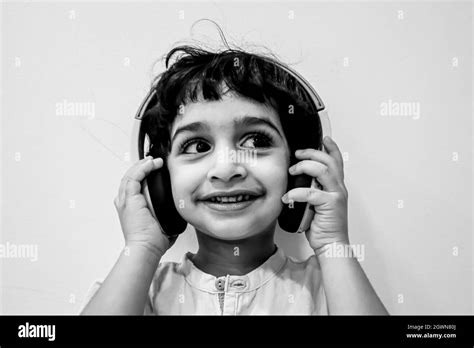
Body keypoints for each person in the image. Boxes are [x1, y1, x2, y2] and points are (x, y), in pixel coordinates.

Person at [80, 45, 388, 315]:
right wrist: (142, 248)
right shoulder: (137, 291)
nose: (226, 170)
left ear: (299, 168)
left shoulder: (331, 291)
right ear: (160, 178)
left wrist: (333, 245)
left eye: (255, 142)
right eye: (198, 146)